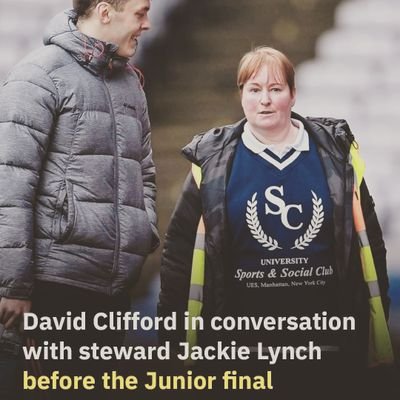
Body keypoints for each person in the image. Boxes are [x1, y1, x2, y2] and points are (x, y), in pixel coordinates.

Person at [158, 46, 395, 397]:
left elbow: (370, 246)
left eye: (275, 89)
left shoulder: (336, 157)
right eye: (254, 90)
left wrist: (373, 329)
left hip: (326, 350)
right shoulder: (210, 164)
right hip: (241, 355)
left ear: (293, 94)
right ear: (241, 96)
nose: (264, 100)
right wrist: (173, 344)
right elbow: (178, 257)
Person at [0, 0, 158, 398]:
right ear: (106, 12)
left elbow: (147, 174)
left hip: (113, 289)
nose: (148, 24)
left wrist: (142, 231)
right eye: (140, 13)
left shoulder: (130, 85)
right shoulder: (39, 75)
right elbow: (10, 183)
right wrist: (13, 286)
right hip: (53, 285)